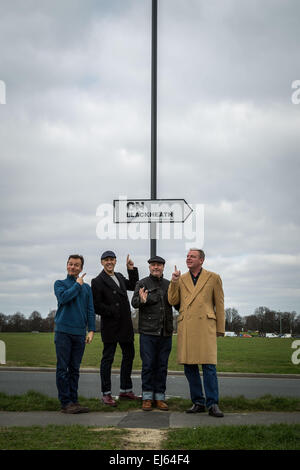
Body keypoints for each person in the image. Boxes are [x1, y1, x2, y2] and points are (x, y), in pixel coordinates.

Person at [168, 248, 225, 417]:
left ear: (201, 260)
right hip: (187, 325)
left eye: (192, 256)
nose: (188, 258)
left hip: (205, 325)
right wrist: (174, 281)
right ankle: (198, 402)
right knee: (189, 366)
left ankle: (213, 403)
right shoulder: (181, 278)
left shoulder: (213, 277)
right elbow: (172, 300)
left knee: (209, 366)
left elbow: (219, 304)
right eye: (187, 256)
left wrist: (220, 328)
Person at [91, 251, 140, 406]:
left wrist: (131, 269)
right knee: (108, 359)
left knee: (129, 355)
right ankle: (106, 394)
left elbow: (133, 285)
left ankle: (125, 390)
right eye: (106, 260)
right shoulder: (97, 281)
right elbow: (96, 305)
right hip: (111, 325)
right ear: (101, 262)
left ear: (115, 261)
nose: (109, 262)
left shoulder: (119, 276)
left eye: (112, 260)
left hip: (125, 325)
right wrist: (113, 310)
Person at [54, 254, 95, 414]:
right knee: (62, 369)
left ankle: (74, 401)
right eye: (70, 264)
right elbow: (63, 298)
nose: (73, 267)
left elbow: (90, 309)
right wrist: (77, 285)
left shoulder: (87, 288)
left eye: (76, 265)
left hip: (79, 334)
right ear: (67, 266)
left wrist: (91, 330)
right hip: (63, 332)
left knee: (75, 369)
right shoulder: (60, 284)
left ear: (81, 268)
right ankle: (65, 403)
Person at [132, 255, 173, 412]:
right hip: (148, 332)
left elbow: (176, 303)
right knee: (148, 366)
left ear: (163, 267)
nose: (156, 267)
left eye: (159, 265)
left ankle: (160, 398)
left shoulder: (169, 284)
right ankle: (147, 398)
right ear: (149, 267)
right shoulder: (142, 283)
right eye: (153, 265)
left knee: (162, 366)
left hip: (165, 332)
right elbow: (134, 302)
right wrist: (142, 300)